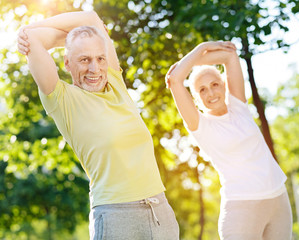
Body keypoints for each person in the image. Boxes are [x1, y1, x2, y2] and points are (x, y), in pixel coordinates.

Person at [17, 11, 179, 240]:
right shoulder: (62, 99)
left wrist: (84, 40)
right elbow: (31, 37)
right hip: (116, 215)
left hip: (160, 211)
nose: (94, 68)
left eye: (100, 58)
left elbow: (92, 18)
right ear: (67, 63)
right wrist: (72, 38)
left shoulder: (115, 83)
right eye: (84, 59)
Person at [165, 41, 292, 239]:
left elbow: (229, 55)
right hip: (242, 207)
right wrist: (201, 49)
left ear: (224, 85)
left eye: (214, 84)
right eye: (202, 90)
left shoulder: (239, 106)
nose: (211, 93)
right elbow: (174, 80)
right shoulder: (200, 125)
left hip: (278, 199)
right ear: (196, 99)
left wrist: (189, 62)